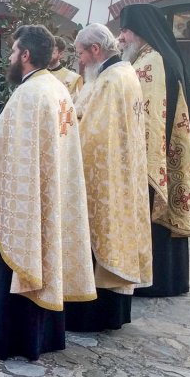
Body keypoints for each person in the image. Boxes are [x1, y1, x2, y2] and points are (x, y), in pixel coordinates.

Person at [0, 24, 95, 360]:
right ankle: (43, 336)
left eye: (12, 52)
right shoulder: (56, 88)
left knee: (14, 259)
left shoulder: (29, 94)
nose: (9, 58)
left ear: (25, 55)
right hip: (49, 195)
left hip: (23, 202)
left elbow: (8, 157)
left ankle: (10, 338)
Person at [65, 24, 153, 332]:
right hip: (121, 174)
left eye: (80, 53)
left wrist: (65, 144)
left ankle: (91, 316)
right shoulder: (123, 73)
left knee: (98, 237)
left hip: (103, 177)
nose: (80, 61)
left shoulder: (110, 82)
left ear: (95, 50)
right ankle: (110, 313)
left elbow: (93, 135)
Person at [118, 3, 190, 297]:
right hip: (163, 152)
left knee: (153, 218)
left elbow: (147, 115)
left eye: (125, 31)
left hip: (152, 156)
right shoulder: (157, 57)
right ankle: (169, 280)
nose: (121, 37)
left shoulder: (152, 61)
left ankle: (154, 282)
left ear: (140, 31)